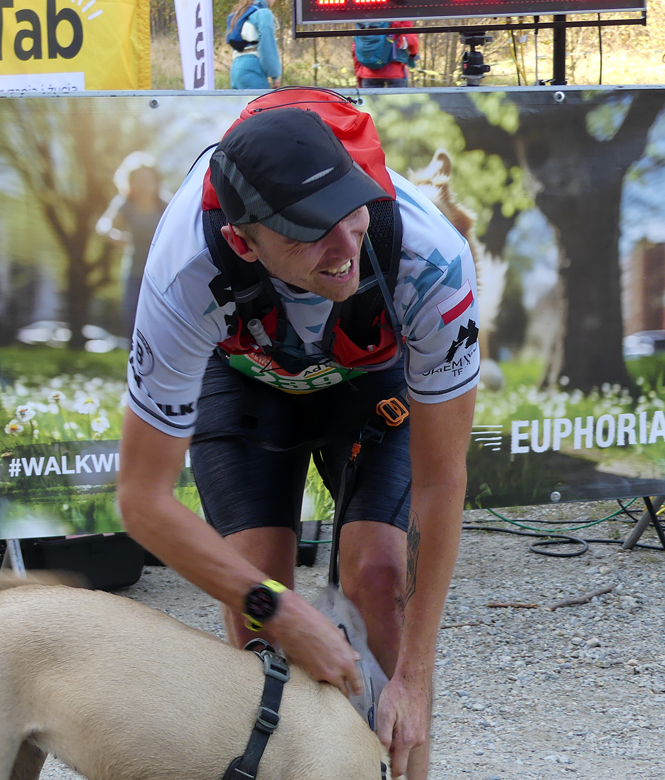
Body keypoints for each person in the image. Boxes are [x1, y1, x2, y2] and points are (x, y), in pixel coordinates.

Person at [117, 91, 478, 780]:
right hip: (244, 377)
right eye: (309, 232)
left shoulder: (429, 255)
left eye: (350, 212)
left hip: (371, 376)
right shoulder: (184, 272)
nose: (344, 248)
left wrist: (413, 678)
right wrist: (276, 609)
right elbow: (141, 500)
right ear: (242, 241)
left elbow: (442, 479)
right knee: (256, 598)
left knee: (379, 576)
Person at [96, 152, 169, 338]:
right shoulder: (126, 203)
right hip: (135, 273)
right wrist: (113, 234)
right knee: (133, 323)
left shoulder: (166, 204)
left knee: (160, 324)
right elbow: (103, 226)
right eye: (137, 180)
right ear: (129, 183)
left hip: (163, 274)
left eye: (147, 180)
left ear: (156, 182)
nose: (143, 185)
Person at [225, 0, 282, 90]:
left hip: (236, 66)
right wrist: (275, 75)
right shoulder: (263, 13)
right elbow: (267, 47)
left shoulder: (240, 12)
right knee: (259, 99)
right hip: (254, 67)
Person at [353, 21, 418, 88]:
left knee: (371, 95)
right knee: (398, 94)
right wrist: (413, 54)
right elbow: (411, 41)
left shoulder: (363, 21)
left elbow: (356, 49)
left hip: (368, 72)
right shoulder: (399, 17)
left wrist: (358, 76)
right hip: (394, 71)